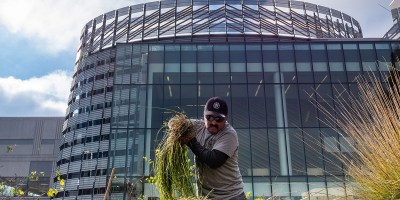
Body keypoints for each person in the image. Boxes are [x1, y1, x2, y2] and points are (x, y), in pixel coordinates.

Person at [182, 97, 245, 200]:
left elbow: (213, 161)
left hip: (231, 197)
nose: (213, 123)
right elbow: (174, 123)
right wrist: (176, 128)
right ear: (204, 116)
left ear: (226, 119)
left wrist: (190, 141)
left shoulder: (229, 134)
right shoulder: (197, 126)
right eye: (209, 117)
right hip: (206, 197)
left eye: (218, 119)